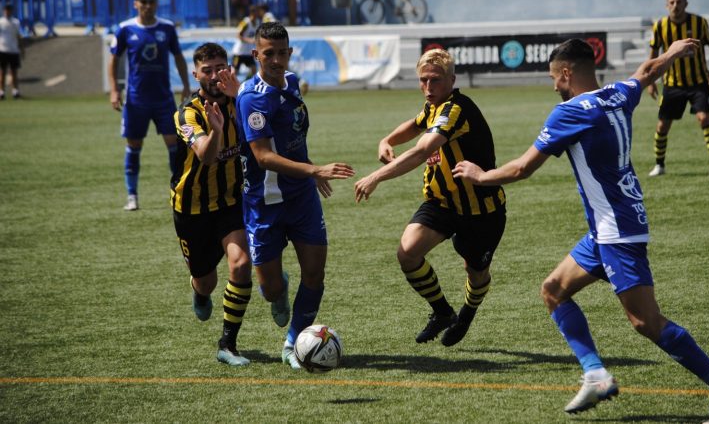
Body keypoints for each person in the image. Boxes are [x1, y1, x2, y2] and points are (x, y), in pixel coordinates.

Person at [452, 38, 709, 423]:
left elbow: (524, 168)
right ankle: (595, 374)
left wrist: (481, 176)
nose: (554, 87)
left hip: (617, 231)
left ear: (565, 73)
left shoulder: (569, 112)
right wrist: (673, 52)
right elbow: (646, 73)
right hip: (612, 225)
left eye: (554, 78)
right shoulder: (616, 94)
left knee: (647, 323)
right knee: (554, 290)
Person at [221, 21, 354, 370]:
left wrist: (307, 168)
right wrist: (315, 170)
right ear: (255, 55)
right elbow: (263, 156)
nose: (277, 60)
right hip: (264, 205)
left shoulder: (292, 82)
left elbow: (291, 134)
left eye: (283, 53)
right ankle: (278, 292)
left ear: (290, 52)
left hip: (301, 200)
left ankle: (294, 342)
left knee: (315, 275)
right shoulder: (251, 97)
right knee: (272, 289)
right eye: (269, 54)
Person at [355, 48, 506, 347]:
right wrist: (387, 139)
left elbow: (423, 150)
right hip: (442, 203)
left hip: (481, 210)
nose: (428, 87)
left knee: (476, 274)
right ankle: (442, 312)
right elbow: (415, 124)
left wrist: (375, 176)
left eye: (435, 80)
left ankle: (466, 313)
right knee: (407, 252)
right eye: (423, 80)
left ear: (452, 79)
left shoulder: (455, 109)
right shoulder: (434, 106)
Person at [171, 43, 252, 367]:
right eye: (207, 70)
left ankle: (228, 344)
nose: (215, 75)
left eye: (221, 68)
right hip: (191, 208)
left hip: (231, 201)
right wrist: (217, 131)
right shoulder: (187, 113)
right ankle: (200, 291)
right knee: (206, 281)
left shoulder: (242, 101)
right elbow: (205, 154)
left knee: (241, 263)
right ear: (196, 74)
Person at [109, 0, 191, 211]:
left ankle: (179, 191)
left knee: (175, 145)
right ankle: (132, 196)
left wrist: (185, 85)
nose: (147, 6)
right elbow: (114, 60)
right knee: (134, 144)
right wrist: (115, 89)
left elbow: (178, 57)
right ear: (136, 4)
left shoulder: (166, 28)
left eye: (151, 1)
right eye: (143, 2)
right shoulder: (125, 29)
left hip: (164, 99)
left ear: (156, 3)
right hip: (136, 100)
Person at [647, 0, 709, 177]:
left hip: (698, 82)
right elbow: (653, 54)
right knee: (662, 125)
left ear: (685, 3)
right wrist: (650, 81)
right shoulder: (659, 26)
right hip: (672, 84)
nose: (675, 5)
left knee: (703, 118)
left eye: (679, 2)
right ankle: (659, 165)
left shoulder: (699, 23)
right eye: (672, 2)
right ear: (667, 5)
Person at [232, 4, 274, 79]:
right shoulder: (246, 22)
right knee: (235, 72)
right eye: (257, 12)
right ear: (252, 13)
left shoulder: (257, 22)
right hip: (239, 52)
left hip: (248, 52)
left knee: (254, 69)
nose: (258, 14)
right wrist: (249, 40)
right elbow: (238, 35)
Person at [0, 4, 24, 100]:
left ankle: (15, 91)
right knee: (2, 71)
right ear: (3, 11)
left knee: (14, 72)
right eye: (6, 10)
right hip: (2, 49)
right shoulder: (1, 22)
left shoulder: (16, 22)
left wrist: (22, 48)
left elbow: (18, 36)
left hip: (13, 50)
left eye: (9, 10)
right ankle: (1, 92)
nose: (7, 12)